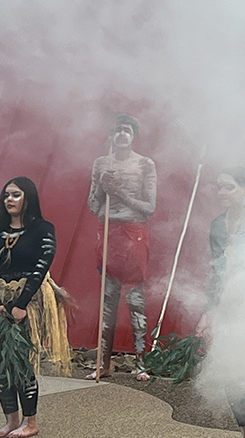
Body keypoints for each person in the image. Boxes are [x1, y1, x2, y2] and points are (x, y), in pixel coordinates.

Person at [0, 177, 72, 438]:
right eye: (6, 195)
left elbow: (41, 269)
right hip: (0, 301)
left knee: (23, 360)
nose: (9, 200)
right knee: (1, 362)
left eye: (16, 195)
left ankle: (31, 422)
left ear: (28, 198)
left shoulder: (43, 229)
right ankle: (10, 420)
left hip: (31, 299)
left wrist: (21, 304)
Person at [197, 167, 245, 438]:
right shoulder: (217, 225)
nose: (221, 193)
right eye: (219, 187)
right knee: (227, 368)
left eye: (229, 187)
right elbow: (215, 271)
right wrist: (208, 310)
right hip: (226, 301)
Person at [86, 113, 157, 380]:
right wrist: (101, 189)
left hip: (134, 234)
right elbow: (93, 206)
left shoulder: (145, 165)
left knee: (136, 301)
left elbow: (149, 208)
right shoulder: (101, 163)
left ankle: (141, 364)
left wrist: (120, 192)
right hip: (108, 234)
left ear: (134, 135)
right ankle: (103, 365)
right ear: (111, 135)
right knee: (108, 301)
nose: (122, 134)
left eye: (127, 130)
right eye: (117, 130)